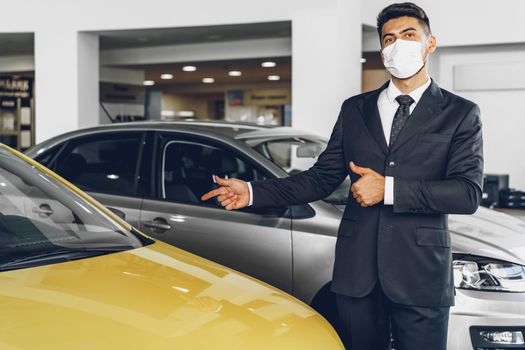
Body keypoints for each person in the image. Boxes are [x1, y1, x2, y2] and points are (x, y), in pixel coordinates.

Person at [201, 2, 484, 349]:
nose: (399, 45)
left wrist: (389, 189)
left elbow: (466, 193)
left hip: (420, 273)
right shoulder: (355, 109)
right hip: (357, 272)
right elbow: (321, 178)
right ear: (382, 50)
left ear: (430, 43)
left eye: (409, 35)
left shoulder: (460, 113)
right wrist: (253, 192)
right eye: (389, 38)